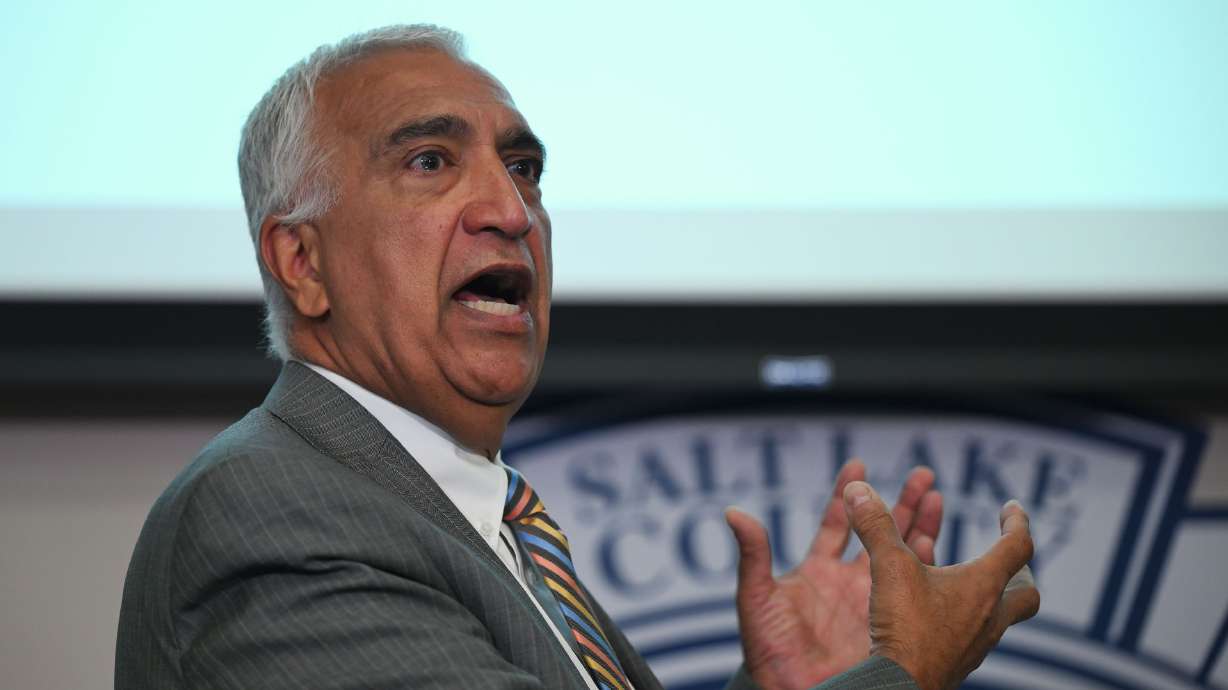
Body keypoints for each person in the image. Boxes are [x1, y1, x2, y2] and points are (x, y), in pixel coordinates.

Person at [116, 25, 1039, 690]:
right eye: (431, 162)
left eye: (524, 169)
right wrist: (904, 675)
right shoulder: (272, 513)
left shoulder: (465, 516)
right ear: (302, 263)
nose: (512, 211)